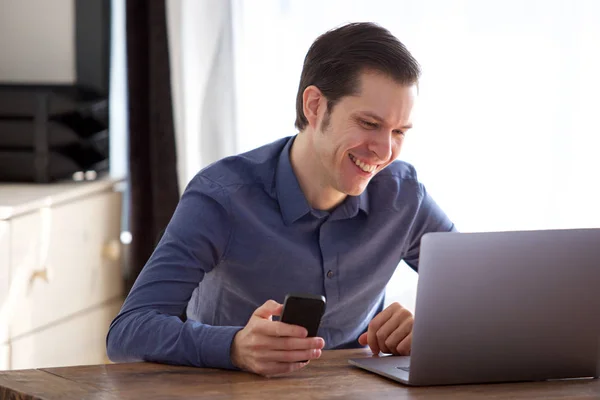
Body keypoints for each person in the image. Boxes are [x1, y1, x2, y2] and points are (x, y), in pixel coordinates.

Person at [106, 21, 456, 377]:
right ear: (315, 105)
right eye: (368, 123)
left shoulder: (404, 195)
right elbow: (128, 333)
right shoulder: (222, 197)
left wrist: (428, 327)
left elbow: (486, 293)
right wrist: (234, 347)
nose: (384, 151)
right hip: (234, 390)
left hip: (357, 388)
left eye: (398, 131)